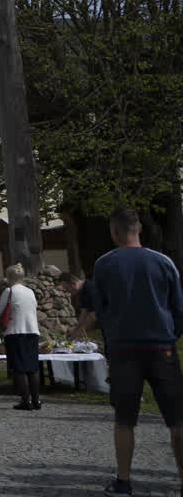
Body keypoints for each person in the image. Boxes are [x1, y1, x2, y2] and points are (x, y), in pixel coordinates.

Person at [90, 208, 183, 496]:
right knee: (177, 419)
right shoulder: (163, 262)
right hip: (161, 346)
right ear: (139, 228)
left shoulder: (104, 264)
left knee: (124, 420)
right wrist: (170, 335)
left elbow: (100, 308)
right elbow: (178, 307)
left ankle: (124, 480)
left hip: (124, 348)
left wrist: (113, 334)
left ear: (114, 231)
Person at [0, 264, 41, 412]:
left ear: (9, 277)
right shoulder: (30, 291)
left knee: (19, 369)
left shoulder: (9, 291)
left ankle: (26, 400)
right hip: (32, 331)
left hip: (15, 331)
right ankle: (36, 400)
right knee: (32, 368)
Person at [59, 268, 97, 339]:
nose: (67, 291)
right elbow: (83, 313)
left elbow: (93, 316)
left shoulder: (90, 288)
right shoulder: (82, 291)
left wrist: (78, 333)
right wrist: (75, 328)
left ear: (73, 283)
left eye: (67, 288)